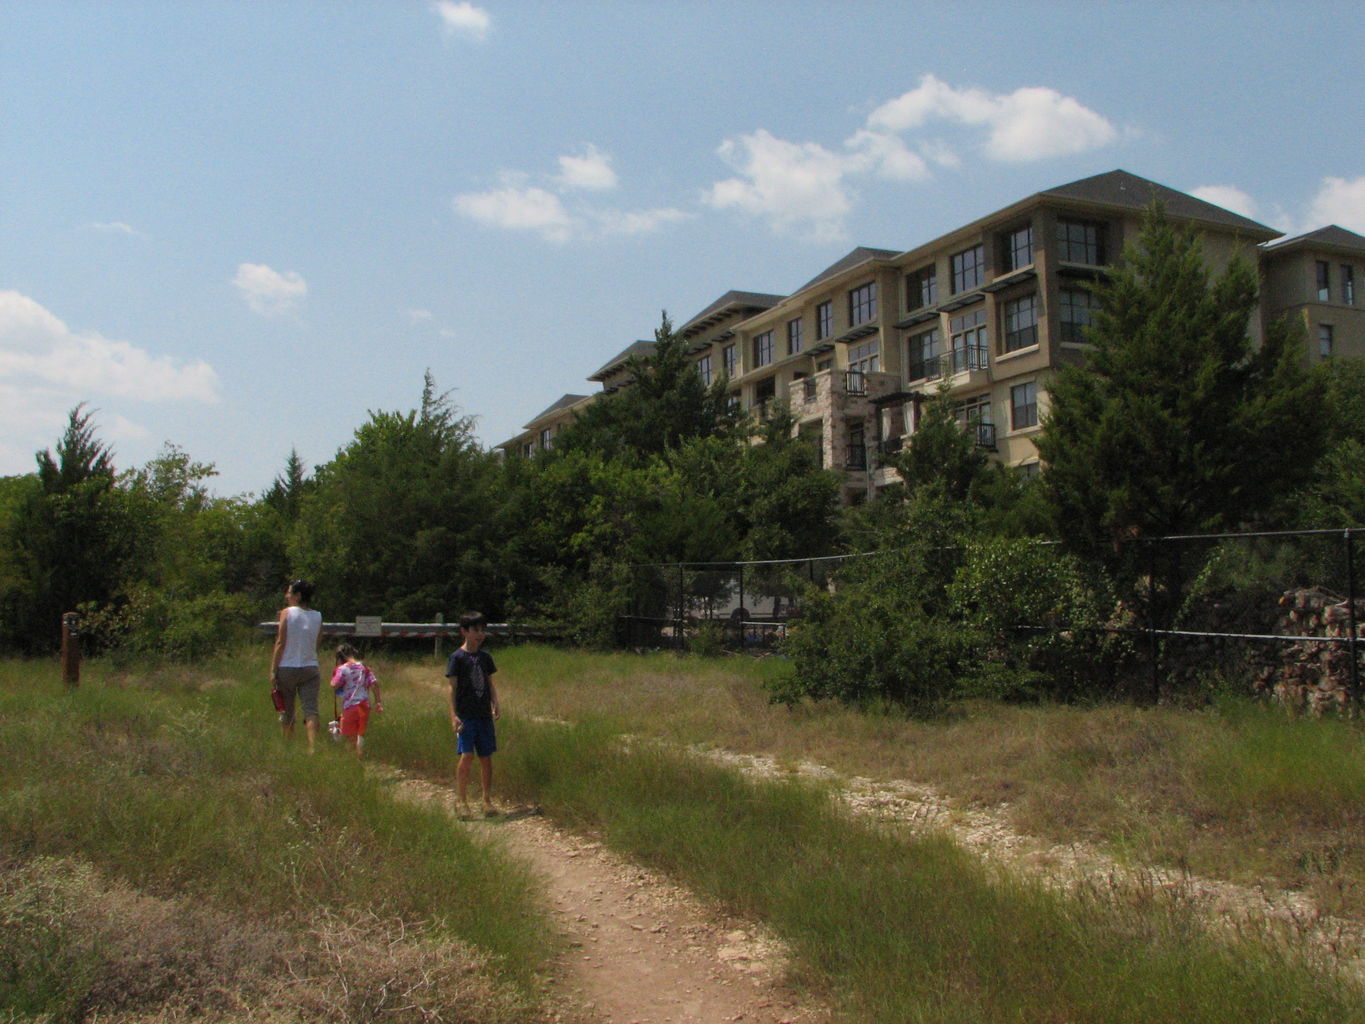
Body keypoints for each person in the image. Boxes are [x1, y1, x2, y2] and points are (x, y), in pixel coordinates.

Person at [445, 611, 500, 818]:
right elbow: (452, 688)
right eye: (476, 630)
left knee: (486, 757)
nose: (480, 634)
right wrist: (453, 715)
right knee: (467, 756)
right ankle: (461, 800)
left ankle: (486, 800)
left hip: (484, 715)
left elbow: (489, 682)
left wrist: (495, 702)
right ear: (464, 632)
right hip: (466, 716)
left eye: (482, 630)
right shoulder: (457, 658)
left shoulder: (485, 658)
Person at [270, 579, 323, 753]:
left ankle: (288, 746)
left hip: (288, 666)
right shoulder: (317, 616)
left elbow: (280, 642)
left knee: (287, 709)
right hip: (310, 667)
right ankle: (313, 747)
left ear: (298, 595)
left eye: (290, 592)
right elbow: (317, 643)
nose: (287, 596)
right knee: (311, 709)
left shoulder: (287, 612)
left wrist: (273, 669)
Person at [330, 643, 382, 758]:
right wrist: (378, 702)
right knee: (360, 735)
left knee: (350, 738)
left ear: (339, 658)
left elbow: (335, 684)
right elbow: (374, 684)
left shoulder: (342, 669)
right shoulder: (364, 667)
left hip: (350, 706)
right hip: (364, 706)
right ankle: (359, 756)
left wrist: (333, 681)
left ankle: (353, 761)